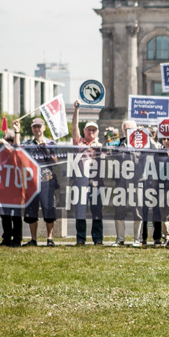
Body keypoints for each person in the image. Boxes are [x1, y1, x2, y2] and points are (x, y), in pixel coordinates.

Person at [22, 118, 59, 247]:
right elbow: (19, 154)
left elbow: (56, 161)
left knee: (48, 209)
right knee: (31, 211)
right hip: (31, 181)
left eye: (39, 126)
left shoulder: (51, 143)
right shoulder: (28, 143)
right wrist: (16, 131)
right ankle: (33, 239)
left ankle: (50, 238)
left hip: (47, 180)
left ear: (44, 128)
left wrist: (46, 150)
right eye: (34, 127)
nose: (37, 129)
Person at [72, 100, 103, 245]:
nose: (91, 132)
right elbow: (74, 128)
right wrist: (76, 110)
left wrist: (101, 148)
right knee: (80, 211)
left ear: (97, 133)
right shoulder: (79, 143)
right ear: (84, 131)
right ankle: (80, 239)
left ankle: (98, 239)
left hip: (97, 183)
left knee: (97, 211)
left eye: (94, 130)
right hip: (81, 183)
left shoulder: (101, 145)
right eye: (89, 130)